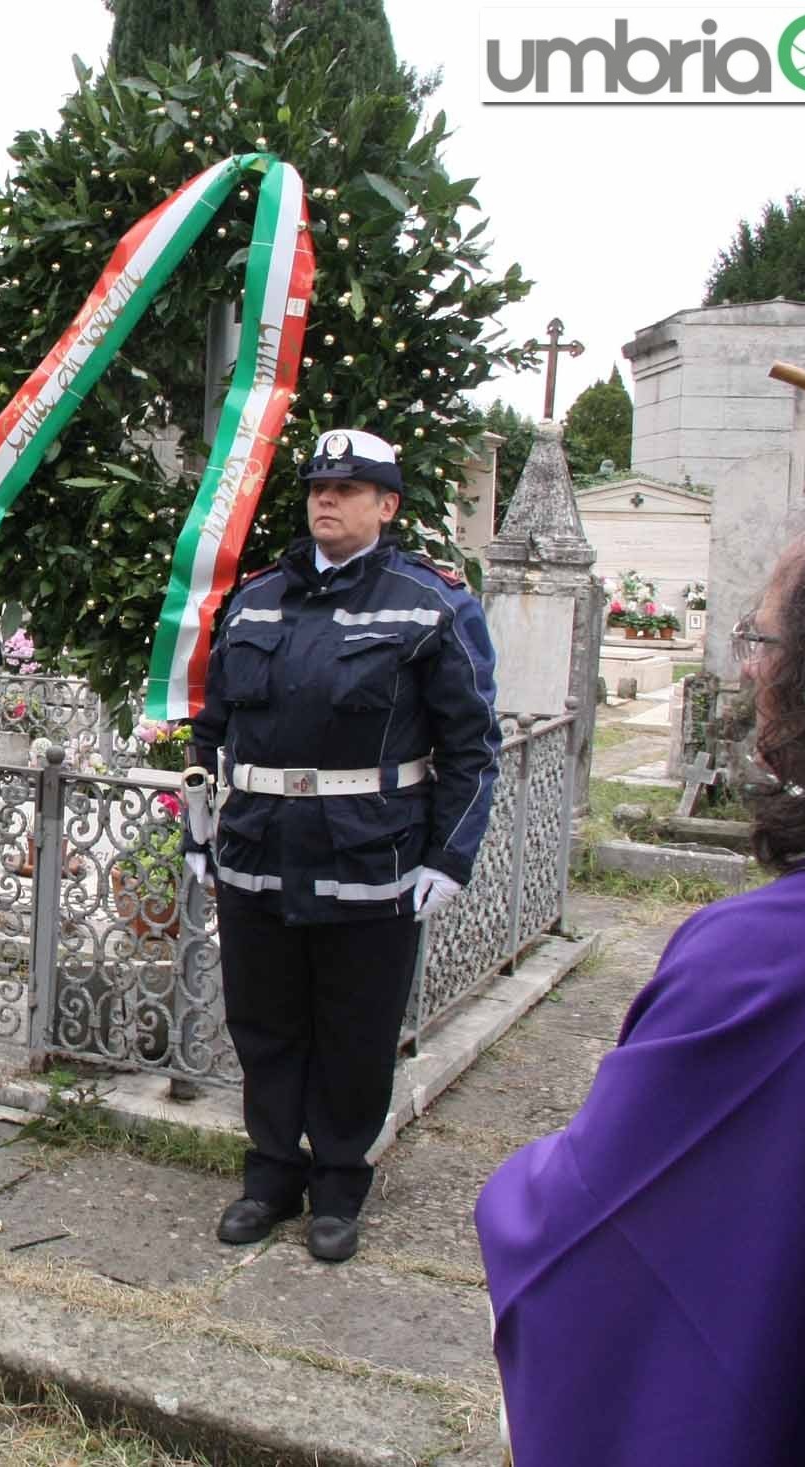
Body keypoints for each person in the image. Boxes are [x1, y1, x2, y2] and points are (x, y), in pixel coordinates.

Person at [476, 500, 805, 1467]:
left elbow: (595, 1233)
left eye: (763, 636)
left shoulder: (779, 966)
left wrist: (508, 1191)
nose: (747, 666)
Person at [187, 427, 498, 1264]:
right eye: (319, 485)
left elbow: (471, 745)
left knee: (355, 1030)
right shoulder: (254, 599)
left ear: (387, 506)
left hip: (369, 856)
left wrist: (449, 857)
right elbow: (212, 728)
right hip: (258, 848)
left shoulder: (430, 604)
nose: (327, 498)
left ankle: (338, 1186)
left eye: (350, 488)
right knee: (265, 1022)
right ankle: (269, 1176)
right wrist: (197, 830)